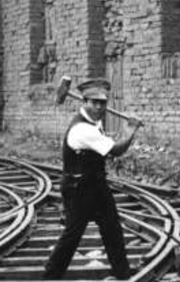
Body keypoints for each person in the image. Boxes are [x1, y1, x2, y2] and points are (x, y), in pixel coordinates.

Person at [43, 78, 144, 280]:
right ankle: (51, 276)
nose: (98, 107)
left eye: (102, 103)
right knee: (72, 235)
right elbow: (116, 150)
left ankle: (122, 272)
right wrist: (130, 130)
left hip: (96, 186)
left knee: (112, 228)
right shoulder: (82, 129)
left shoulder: (93, 122)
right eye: (93, 102)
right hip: (78, 189)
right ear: (84, 102)